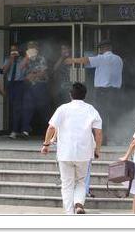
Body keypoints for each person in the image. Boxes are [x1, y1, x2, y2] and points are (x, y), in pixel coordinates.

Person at [40, 82, 102, 215]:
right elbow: (98, 132)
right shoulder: (91, 109)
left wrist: (46, 145)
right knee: (81, 181)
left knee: (67, 184)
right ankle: (78, 203)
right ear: (85, 95)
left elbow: (51, 127)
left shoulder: (63, 108)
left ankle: (69, 213)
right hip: (84, 153)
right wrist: (97, 150)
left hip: (65, 153)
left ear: (70, 95)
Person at [63, 39, 123, 144]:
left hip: (103, 91)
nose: (100, 51)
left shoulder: (102, 58)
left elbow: (86, 60)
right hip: (116, 91)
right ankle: (117, 137)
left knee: (102, 115)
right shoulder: (118, 59)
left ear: (104, 48)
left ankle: (103, 139)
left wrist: (72, 60)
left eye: (100, 48)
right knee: (114, 114)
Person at [21, 41, 50, 137]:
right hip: (29, 86)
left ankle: (49, 131)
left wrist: (32, 75)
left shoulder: (41, 58)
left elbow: (43, 72)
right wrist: (26, 57)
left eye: (33, 47)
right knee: (27, 107)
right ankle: (25, 130)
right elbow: (21, 68)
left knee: (43, 109)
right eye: (29, 47)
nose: (31, 49)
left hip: (40, 85)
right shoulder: (26, 59)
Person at [2, 43, 28, 139]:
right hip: (10, 84)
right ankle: (15, 129)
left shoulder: (23, 60)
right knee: (12, 107)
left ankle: (16, 130)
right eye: (12, 50)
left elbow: (24, 71)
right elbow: (4, 71)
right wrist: (11, 60)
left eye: (15, 50)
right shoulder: (7, 59)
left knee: (18, 107)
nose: (13, 52)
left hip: (20, 83)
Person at [51, 43, 73, 108]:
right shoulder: (58, 58)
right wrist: (62, 57)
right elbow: (54, 69)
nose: (65, 50)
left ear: (69, 49)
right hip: (61, 86)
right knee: (62, 104)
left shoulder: (73, 57)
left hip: (71, 85)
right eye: (63, 49)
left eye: (66, 48)